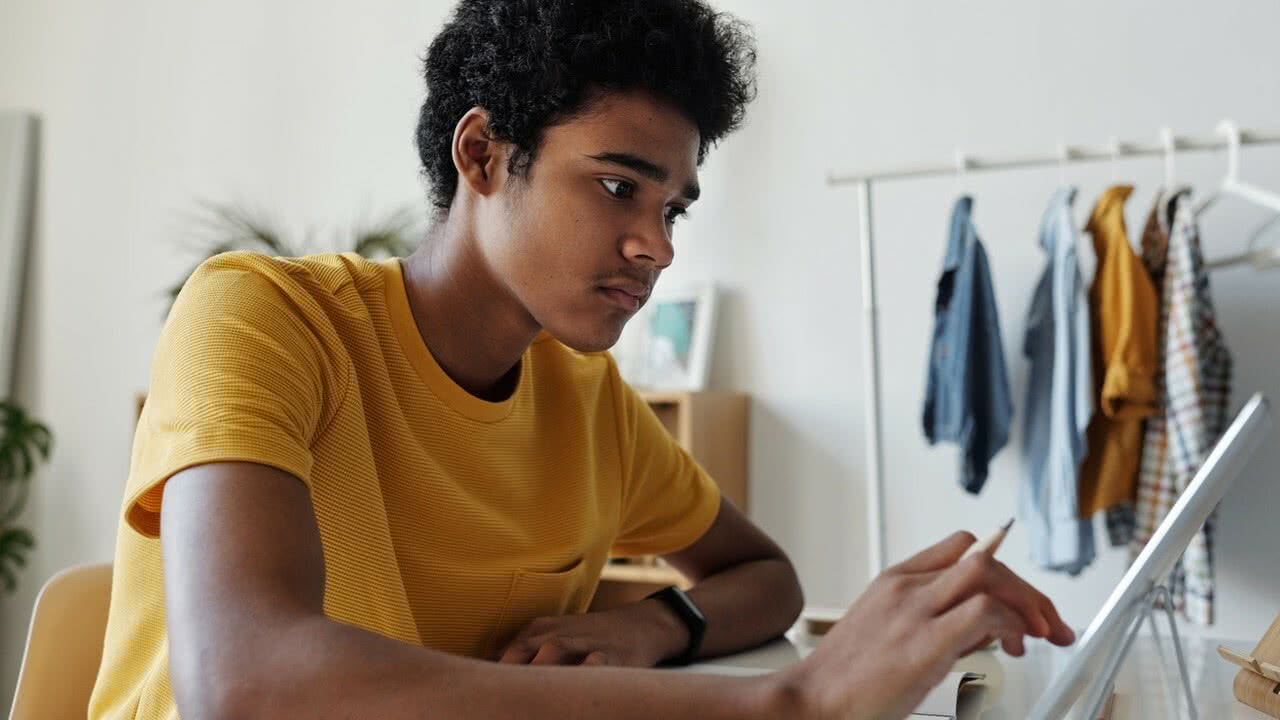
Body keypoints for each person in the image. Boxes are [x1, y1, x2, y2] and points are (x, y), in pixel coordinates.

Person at [88, 1, 1074, 718]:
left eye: (672, 207)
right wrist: (789, 701)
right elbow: (246, 679)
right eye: (616, 186)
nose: (657, 244)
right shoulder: (265, 317)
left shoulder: (582, 393)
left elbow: (759, 573)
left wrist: (652, 628)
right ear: (481, 157)